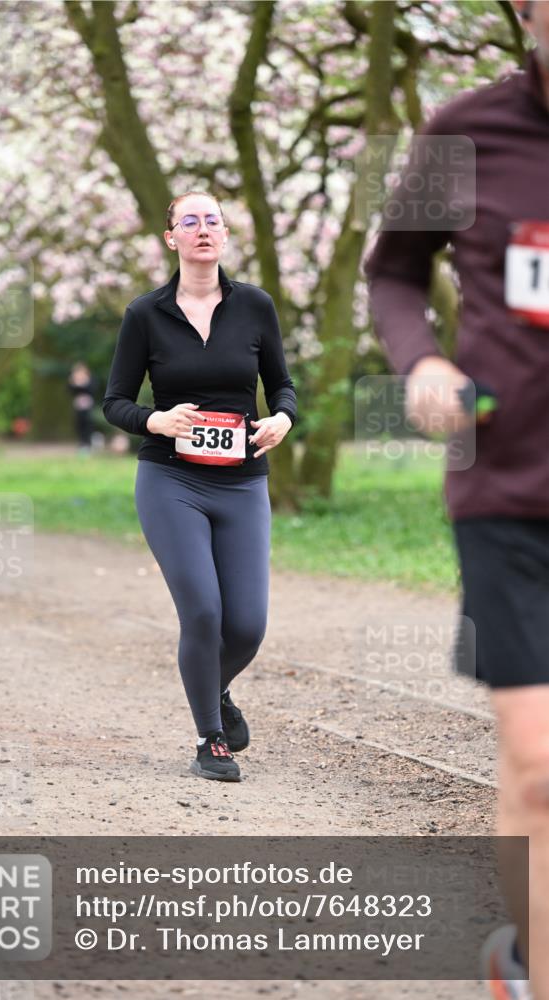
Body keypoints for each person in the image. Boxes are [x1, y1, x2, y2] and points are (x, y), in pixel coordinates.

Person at [365, 3, 549, 998]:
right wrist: (422, 359)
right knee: (535, 763)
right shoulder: (463, 133)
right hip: (510, 487)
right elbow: (393, 271)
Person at [103, 191, 297, 782]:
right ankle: (210, 738)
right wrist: (154, 420)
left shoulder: (256, 306)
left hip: (242, 483)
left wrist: (283, 418)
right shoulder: (145, 314)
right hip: (171, 479)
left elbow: (283, 388)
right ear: (172, 239)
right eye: (190, 221)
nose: (203, 229)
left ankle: (215, 692)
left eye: (213, 219)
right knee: (205, 613)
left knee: (248, 625)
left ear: (226, 235)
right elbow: (114, 401)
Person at [67, 362, 96, 454]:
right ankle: (81, 443)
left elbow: (91, 389)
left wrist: (81, 385)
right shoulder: (73, 381)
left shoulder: (89, 380)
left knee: (87, 424)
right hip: (78, 405)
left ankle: (87, 444)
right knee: (79, 424)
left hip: (87, 405)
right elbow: (70, 390)